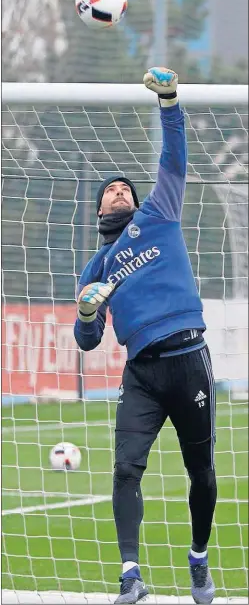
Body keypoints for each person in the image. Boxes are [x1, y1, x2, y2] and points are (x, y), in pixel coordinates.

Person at [74, 67, 216, 605]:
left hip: (189, 358)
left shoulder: (158, 214)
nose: (117, 191)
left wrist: (170, 104)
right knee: (125, 468)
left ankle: (198, 559)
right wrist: (88, 317)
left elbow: (172, 159)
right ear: (98, 210)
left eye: (123, 187)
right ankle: (131, 576)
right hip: (143, 373)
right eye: (109, 190)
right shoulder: (94, 268)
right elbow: (86, 341)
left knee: (201, 473)